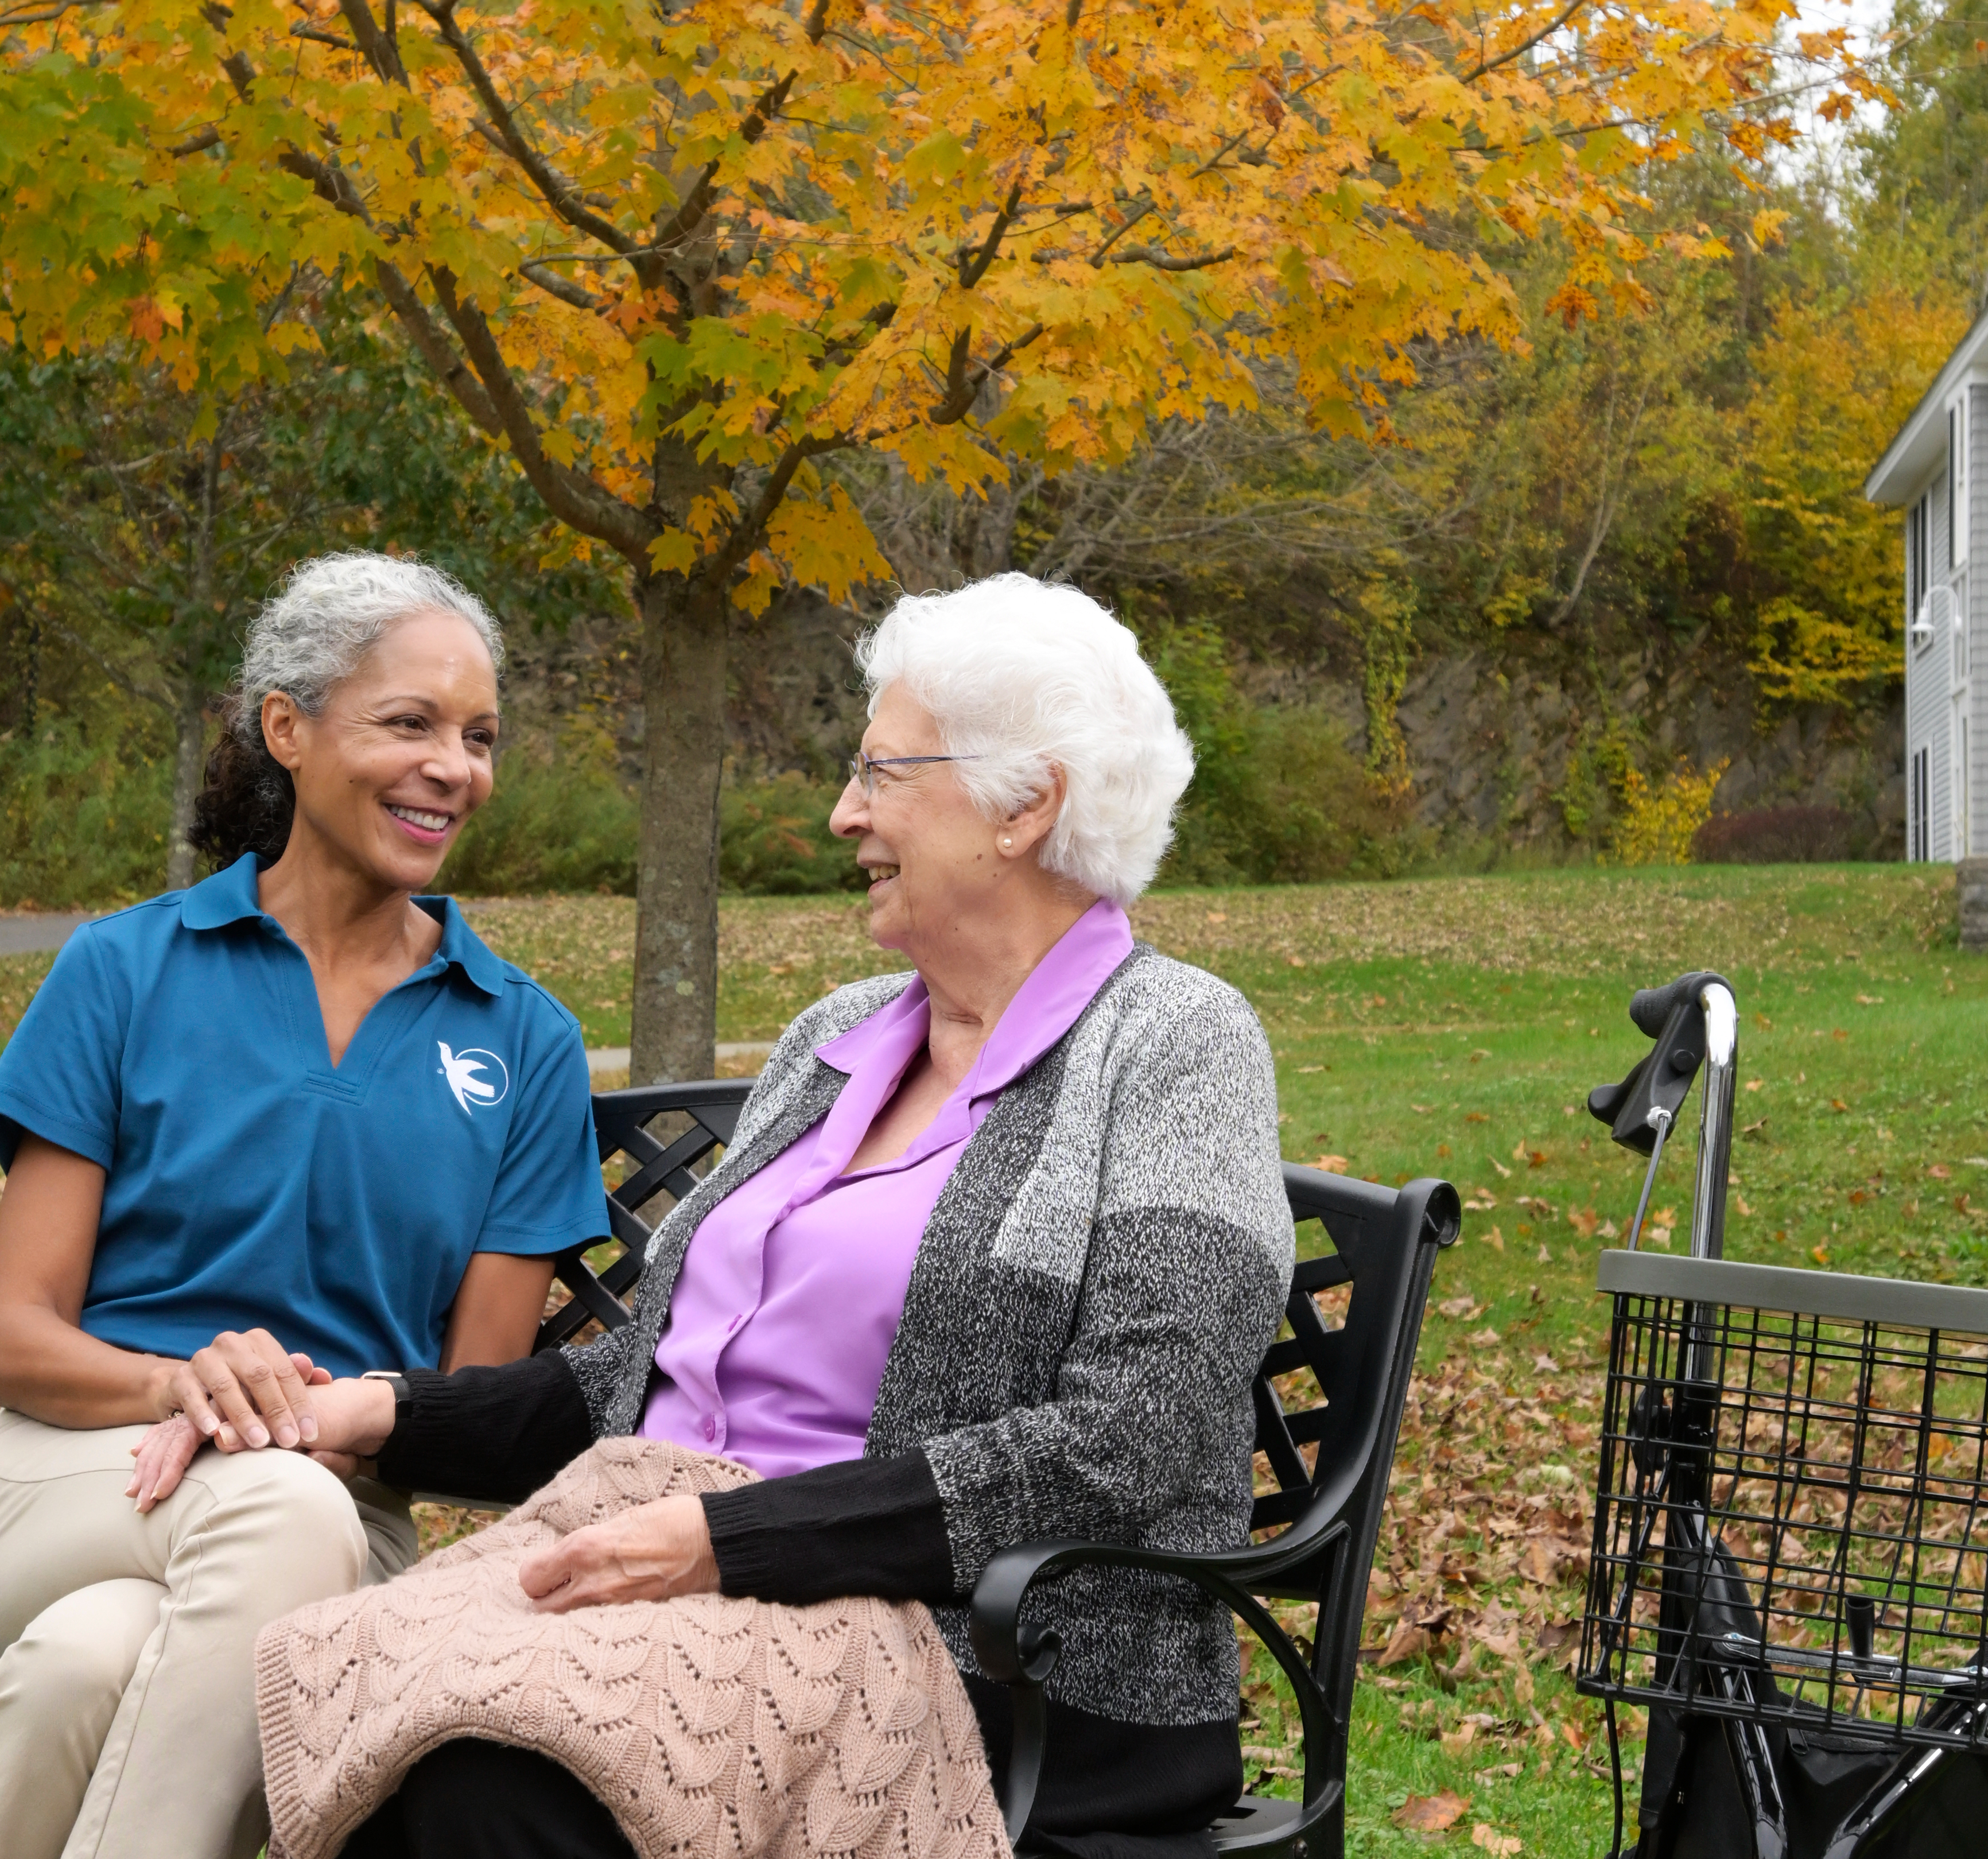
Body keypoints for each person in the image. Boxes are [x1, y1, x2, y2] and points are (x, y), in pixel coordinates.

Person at [152, 572, 1295, 1859]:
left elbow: (1129, 1439)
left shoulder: (1174, 1043)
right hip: (685, 1585)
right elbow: (645, 1388)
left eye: (882, 775)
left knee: (491, 1775)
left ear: (1025, 803)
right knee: (362, 1704)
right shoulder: (834, 1042)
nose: (841, 812)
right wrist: (382, 1411)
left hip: (1006, 1663)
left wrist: (728, 1542)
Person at [0, 553, 608, 1859]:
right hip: (75, 1477)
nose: (453, 766)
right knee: (264, 1510)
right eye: (407, 724)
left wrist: (299, 1423)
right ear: (287, 730)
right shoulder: (124, 970)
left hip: (352, 1521)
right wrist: (193, 1386)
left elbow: (473, 1395)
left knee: (84, 1664)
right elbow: (18, 1341)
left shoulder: (523, 1040)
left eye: (478, 736)